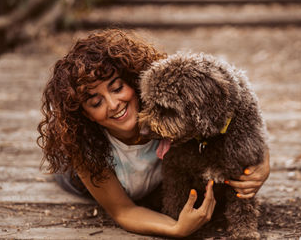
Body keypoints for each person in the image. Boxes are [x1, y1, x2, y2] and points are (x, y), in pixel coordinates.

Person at [37, 29, 270, 238]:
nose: (113, 104)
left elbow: (231, 107)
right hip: (85, 179)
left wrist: (263, 162)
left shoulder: (164, 98)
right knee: (64, 170)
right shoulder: (85, 149)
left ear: (132, 80)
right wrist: (175, 228)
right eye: (96, 102)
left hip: (161, 185)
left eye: (117, 88)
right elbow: (124, 211)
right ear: (86, 114)